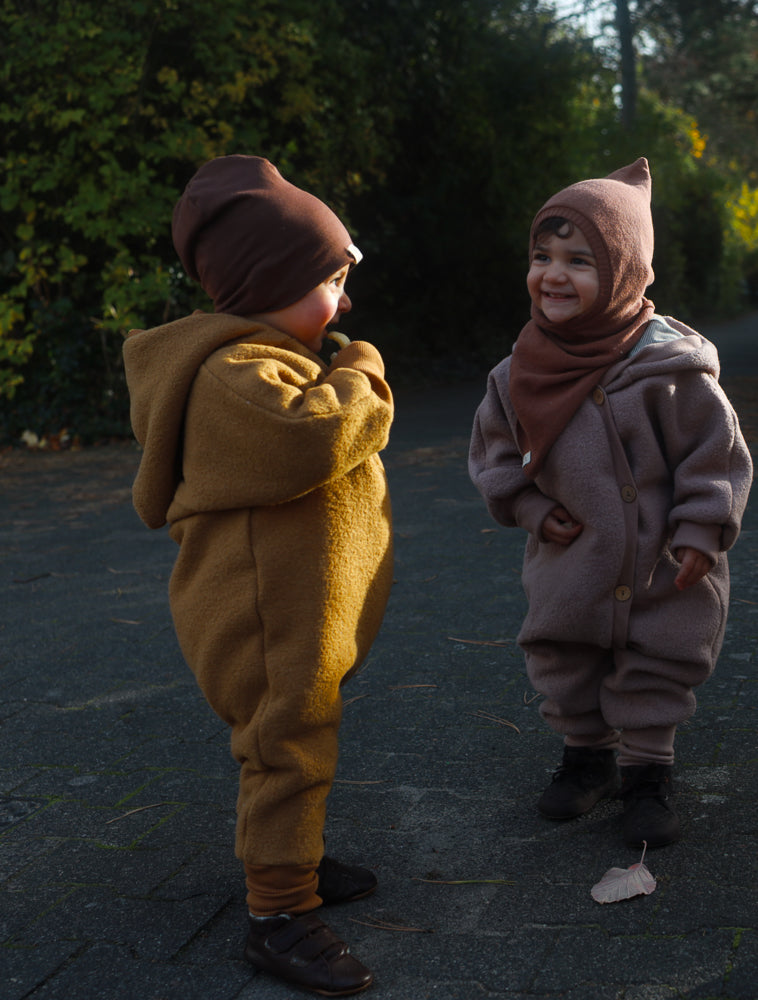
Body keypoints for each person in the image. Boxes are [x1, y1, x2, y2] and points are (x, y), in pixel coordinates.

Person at [122, 155, 394, 996]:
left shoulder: (271, 353)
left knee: (298, 742)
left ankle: (296, 859)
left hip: (296, 615)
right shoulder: (232, 373)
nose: (346, 302)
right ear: (269, 279)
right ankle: (278, 913)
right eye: (332, 279)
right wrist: (364, 368)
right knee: (285, 748)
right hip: (264, 619)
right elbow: (311, 436)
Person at [468, 158, 752, 850]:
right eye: (543, 255)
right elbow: (496, 456)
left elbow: (713, 456)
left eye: (580, 260)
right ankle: (586, 755)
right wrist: (531, 510)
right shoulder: (519, 373)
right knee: (565, 656)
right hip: (573, 559)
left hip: (661, 563)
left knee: (659, 657)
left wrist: (699, 531)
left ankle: (648, 770)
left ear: (626, 271)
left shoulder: (671, 372)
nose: (553, 274)